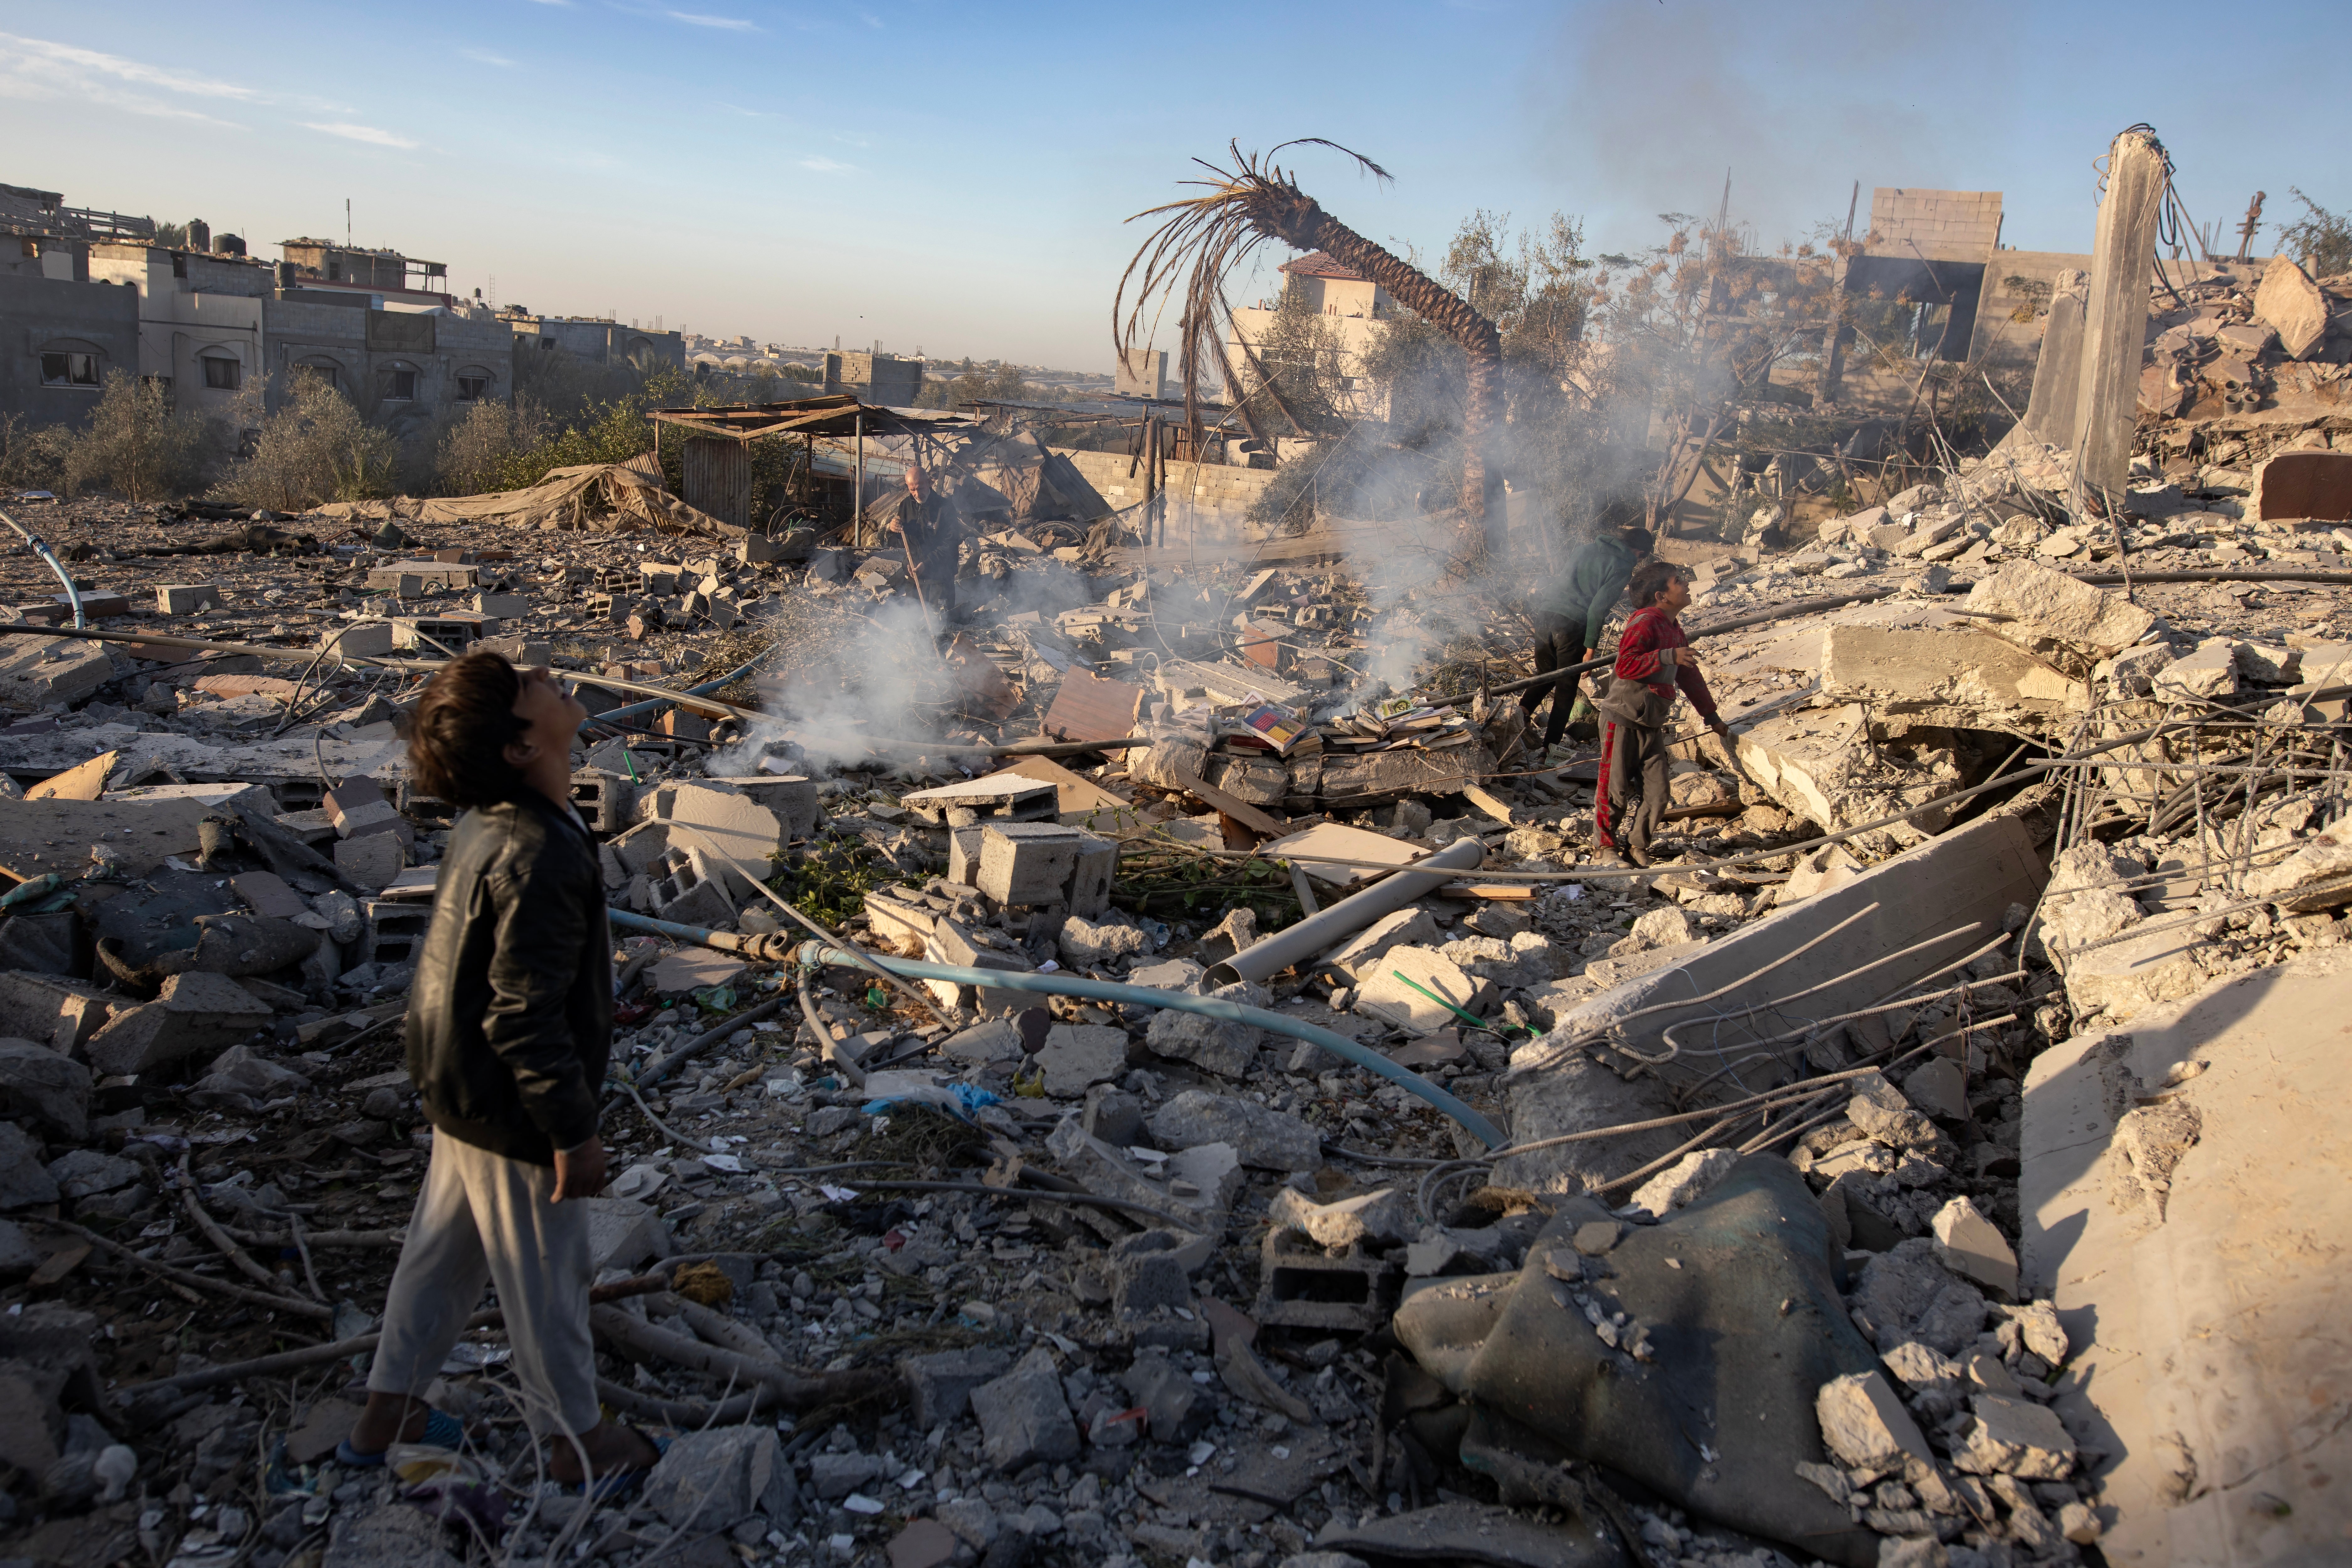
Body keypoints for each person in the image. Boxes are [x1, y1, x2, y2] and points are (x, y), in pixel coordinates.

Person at [341, 652, 661, 1489]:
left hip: (459, 1087)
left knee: (441, 1258)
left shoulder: (498, 822)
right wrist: (572, 1131)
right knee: (549, 1278)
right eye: (530, 685)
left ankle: (389, 1411)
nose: (551, 674)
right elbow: (523, 1013)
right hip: (512, 1106)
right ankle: (576, 1439)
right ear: (521, 747)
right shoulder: (537, 852)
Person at [1592, 560, 1731, 866]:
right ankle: (1603, 849)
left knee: (1658, 794)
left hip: (1652, 723)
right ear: (1662, 595)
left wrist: (1712, 718)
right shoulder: (1644, 622)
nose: (1687, 584)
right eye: (1678, 581)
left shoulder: (1674, 629)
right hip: (1623, 718)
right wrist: (1667, 656)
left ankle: (1638, 846)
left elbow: (1690, 677)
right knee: (1614, 790)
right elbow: (1626, 665)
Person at [1519, 499, 1654, 754]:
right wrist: (1590, 649)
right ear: (1640, 553)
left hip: (1546, 614)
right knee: (1567, 689)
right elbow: (1597, 609)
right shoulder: (1623, 567)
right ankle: (1551, 750)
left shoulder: (1584, 549)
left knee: (1546, 674)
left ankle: (1521, 714)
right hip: (1572, 625)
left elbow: (1562, 582)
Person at [885, 461, 964, 631]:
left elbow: (950, 544)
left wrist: (927, 563)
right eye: (912, 489)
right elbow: (901, 542)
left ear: (930, 483)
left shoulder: (945, 508)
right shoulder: (906, 506)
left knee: (940, 627)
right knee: (915, 626)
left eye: (920, 488)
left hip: (940, 578)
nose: (917, 493)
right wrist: (894, 530)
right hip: (915, 578)